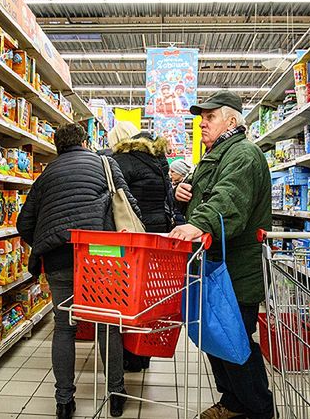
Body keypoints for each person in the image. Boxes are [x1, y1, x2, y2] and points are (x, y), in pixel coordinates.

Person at [17, 123, 139, 419]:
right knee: (107, 324)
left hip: (59, 259)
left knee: (64, 326)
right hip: (101, 257)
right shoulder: (105, 164)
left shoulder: (46, 174)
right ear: (85, 141)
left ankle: (64, 402)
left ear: (58, 145)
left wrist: (47, 242)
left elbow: (24, 223)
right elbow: (129, 205)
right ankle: (115, 393)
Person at [168, 91, 274, 419]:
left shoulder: (243, 154)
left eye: (210, 117)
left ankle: (258, 410)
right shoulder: (217, 155)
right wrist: (182, 195)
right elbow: (209, 194)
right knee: (217, 340)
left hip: (237, 269)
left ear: (231, 120)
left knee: (235, 344)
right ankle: (232, 403)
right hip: (216, 267)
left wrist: (198, 223)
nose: (202, 123)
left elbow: (230, 199)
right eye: (202, 118)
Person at [106, 121, 174, 372]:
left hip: (133, 235)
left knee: (127, 295)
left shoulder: (123, 161)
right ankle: (143, 353)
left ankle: (129, 355)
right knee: (148, 297)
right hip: (158, 234)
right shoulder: (158, 161)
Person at [167, 159, 191, 225]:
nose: (170, 174)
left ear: (181, 173)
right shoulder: (172, 185)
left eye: (173, 171)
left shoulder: (186, 187)